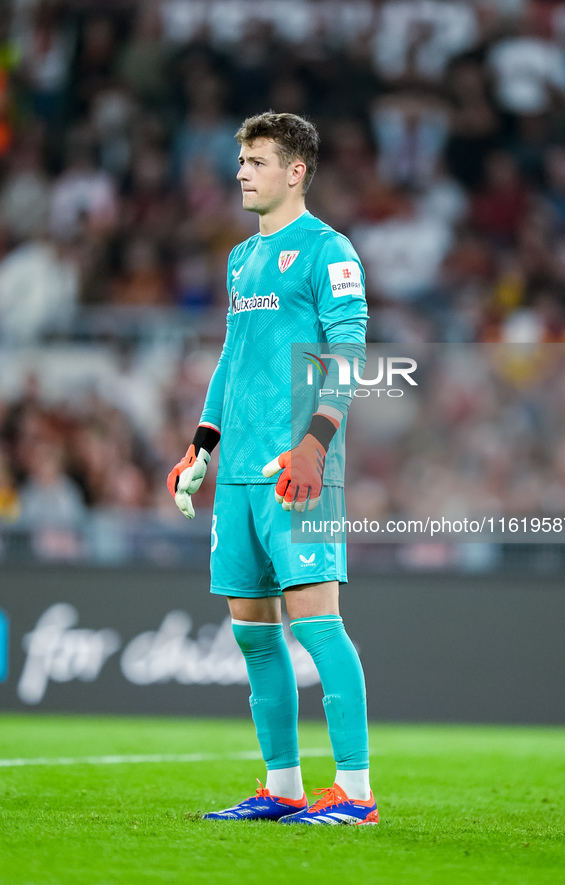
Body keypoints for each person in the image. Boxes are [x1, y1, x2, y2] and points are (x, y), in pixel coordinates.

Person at [167, 112, 377, 825]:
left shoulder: (328, 250)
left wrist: (317, 439)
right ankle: (283, 785)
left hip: (300, 467)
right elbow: (231, 359)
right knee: (252, 628)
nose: (240, 173)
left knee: (318, 624)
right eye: (241, 161)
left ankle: (354, 791)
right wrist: (201, 444)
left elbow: (348, 349)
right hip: (240, 479)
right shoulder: (240, 259)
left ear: (295, 170)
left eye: (255, 161)